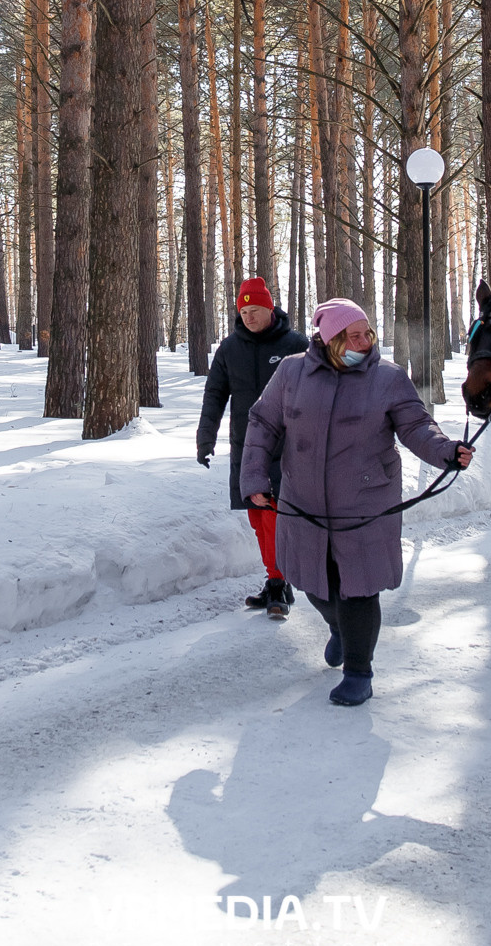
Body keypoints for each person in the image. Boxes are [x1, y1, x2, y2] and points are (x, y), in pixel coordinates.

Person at [241, 299, 474, 707]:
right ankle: (342, 631)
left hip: (365, 502)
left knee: (359, 590)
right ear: (330, 340)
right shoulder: (292, 372)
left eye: (368, 333)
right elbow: (263, 422)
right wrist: (255, 476)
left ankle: (358, 670)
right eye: (354, 336)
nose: (364, 342)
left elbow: (417, 425)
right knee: (314, 583)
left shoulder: (388, 378)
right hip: (304, 500)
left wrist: (446, 451)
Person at [198, 277, 309, 615]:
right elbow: (215, 395)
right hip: (246, 446)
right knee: (257, 518)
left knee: (274, 514)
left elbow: (318, 391)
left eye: (255, 310)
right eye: (244, 311)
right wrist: (206, 438)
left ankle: (277, 583)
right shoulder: (230, 349)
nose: (249, 316)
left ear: (269, 308)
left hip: (286, 447)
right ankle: (277, 578)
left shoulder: (295, 344)